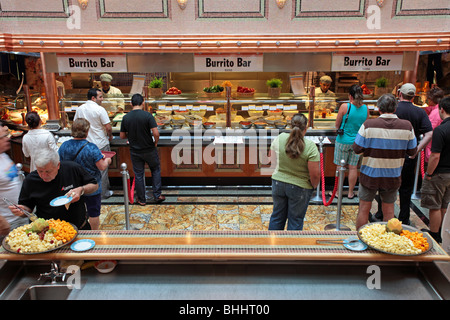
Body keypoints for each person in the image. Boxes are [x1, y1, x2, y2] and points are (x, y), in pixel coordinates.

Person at [353, 94, 417, 230]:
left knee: (364, 209)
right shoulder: (407, 126)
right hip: (392, 175)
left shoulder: (368, 125)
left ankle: (360, 240)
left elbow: (356, 148)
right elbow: (412, 151)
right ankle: (387, 245)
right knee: (389, 210)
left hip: (370, 174)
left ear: (378, 108)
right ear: (395, 108)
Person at [373, 83, 433, 224]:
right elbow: (429, 133)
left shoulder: (393, 109)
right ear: (414, 96)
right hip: (408, 156)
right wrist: (416, 150)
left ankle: (382, 213)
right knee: (405, 188)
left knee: (386, 186)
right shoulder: (419, 112)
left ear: (399, 93)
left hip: (390, 155)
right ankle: (404, 218)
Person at [8, 149, 98, 230]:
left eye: (48, 171)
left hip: (79, 227)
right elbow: (28, 209)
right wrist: (22, 210)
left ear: (58, 165)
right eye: (40, 171)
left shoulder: (72, 168)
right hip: (49, 232)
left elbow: (94, 185)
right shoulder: (31, 180)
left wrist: (81, 189)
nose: (44, 176)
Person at [268, 113, 320, 230]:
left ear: (290, 126)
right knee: (295, 220)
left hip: (278, 183)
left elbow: (270, 159)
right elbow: (315, 174)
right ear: (305, 128)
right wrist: (313, 186)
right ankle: (291, 247)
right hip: (300, 188)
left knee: (277, 217)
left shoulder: (280, 138)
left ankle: (271, 246)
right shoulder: (311, 147)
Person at [58, 118, 112, 230]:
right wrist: (107, 160)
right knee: (93, 212)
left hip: (72, 185)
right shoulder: (91, 147)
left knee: (75, 211)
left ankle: (74, 232)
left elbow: (60, 164)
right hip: (91, 185)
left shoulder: (64, 146)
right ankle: (94, 234)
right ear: (87, 131)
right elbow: (102, 166)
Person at [120, 93, 165, 205]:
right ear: (143, 103)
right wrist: (156, 143)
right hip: (149, 149)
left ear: (131, 103)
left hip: (135, 151)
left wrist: (130, 137)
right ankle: (157, 194)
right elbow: (156, 133)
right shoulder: (148, 116)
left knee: (139, 174)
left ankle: (141, 199)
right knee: (155, 170)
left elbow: (122, 136)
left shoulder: (126, 117)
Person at [420, 96, 450, 243]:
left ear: (442, 109)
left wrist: (429, 173)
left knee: (434, 205)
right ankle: (443, 233)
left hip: (439, 173)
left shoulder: (440, 130)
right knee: (445, 204)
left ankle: (434, 233)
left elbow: (435, 156)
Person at [74, 88, 113, 199]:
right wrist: (110, 136)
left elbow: (76, 124)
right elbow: (108, 127)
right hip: (100, 143)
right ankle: (103, 193)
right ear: (93, 98)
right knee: (102, 170)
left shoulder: (80, 109)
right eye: (100, 97)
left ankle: (89, 192)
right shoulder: (100, 109)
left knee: (88, 169)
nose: (102, 99)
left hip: (84, 144)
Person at [333, 84, 370, 199]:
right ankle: (350, 192)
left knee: (340, 166)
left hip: (343, 141)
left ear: (350, 96)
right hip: (357, 143)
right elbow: (366, 126)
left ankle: (338, 192)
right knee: (353, 167)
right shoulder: (366, 108)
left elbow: (337, 125)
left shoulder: (345, 107)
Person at [0, 124, 28, 240]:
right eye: (2, 137)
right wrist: (2, 222)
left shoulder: (3, 156)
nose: (7, 139)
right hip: (8, 222)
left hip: (21, 216)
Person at [424, 87, 445, 162]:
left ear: (431, 99)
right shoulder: (440, 110)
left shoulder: (435, 113)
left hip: (432, 151)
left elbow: (429, 131)